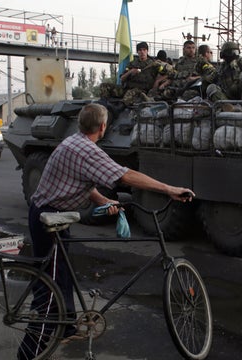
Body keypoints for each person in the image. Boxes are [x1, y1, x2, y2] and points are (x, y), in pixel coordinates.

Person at [18, 103, 194, 359]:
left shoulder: (73, 142)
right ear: (103, 127)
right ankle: (27, 354)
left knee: (63, 277)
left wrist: (104, 201)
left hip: (50, 214)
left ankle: (66, 329)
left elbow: (80, 182)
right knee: (49, 293)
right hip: (49, 218)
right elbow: (126, 175)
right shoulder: (87, 150)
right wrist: (169, 189)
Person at [206, 41, 242, 110]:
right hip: (228, 95)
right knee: (211, 88)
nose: (233, 55)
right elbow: (215, 81)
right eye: (231, 52)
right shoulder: (222, 68)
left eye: (235, 52)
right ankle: (228, 107)